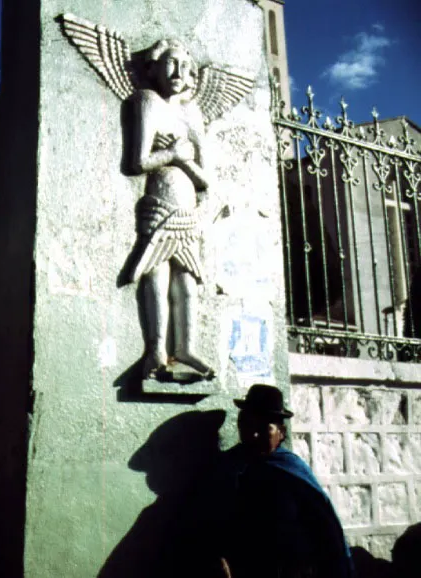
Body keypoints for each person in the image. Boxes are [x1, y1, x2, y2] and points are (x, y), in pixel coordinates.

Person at [127, 38, 214, 380]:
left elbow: (205, 177)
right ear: (154, 68)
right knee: (156, 277)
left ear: (193, 76)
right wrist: (172, 155)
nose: (178, 72)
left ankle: (186, 348)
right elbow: (138, 161)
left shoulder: (192, 114)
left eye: (184, 66)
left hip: (187, 210)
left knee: (188, 283)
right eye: (170, 63)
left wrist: (184, 159)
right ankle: (156, 348)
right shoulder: (147, 101)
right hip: (160, 205)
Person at [201, 384, 354, 578]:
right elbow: (208, 521)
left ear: (281, 432)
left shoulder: (292, 471)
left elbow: (327, 531)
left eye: (264, 428)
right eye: (248, 426)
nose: (254, 435)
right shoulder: (228, 467)